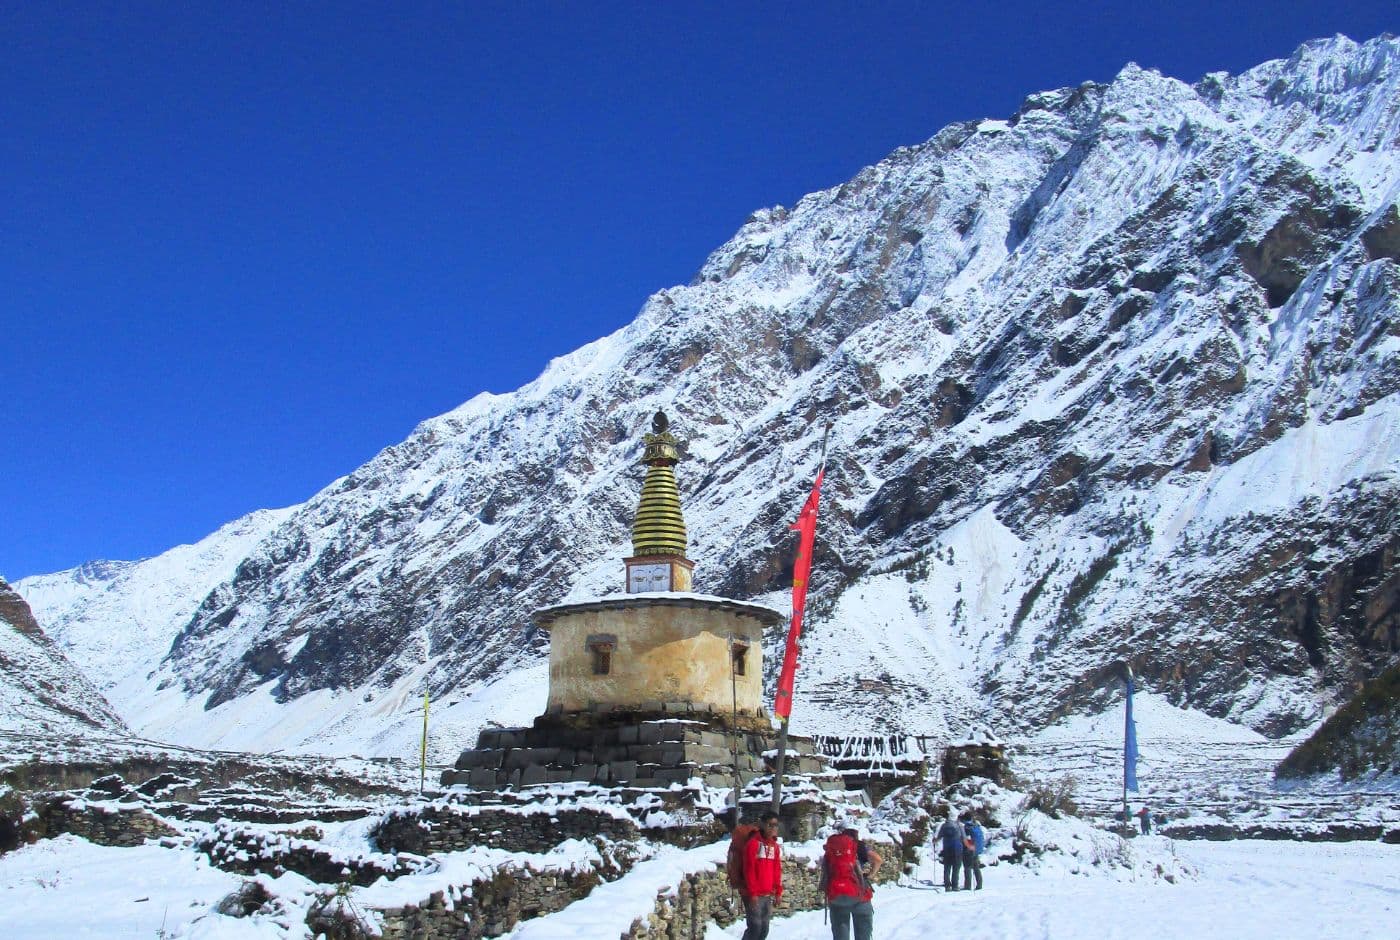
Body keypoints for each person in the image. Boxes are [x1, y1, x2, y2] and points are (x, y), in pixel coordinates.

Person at [821, 814, 882, 940]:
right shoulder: (860, 845)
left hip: (837, 897)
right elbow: (878, 860)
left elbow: (825, 869)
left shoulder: (832, 846)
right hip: (861, 896)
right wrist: (870, 875)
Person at [742, 811, 783, 940]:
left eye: (776, 825)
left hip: (767, 893)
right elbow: (749, 870)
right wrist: (753, 893)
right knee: (755, 928)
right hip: (753, 894)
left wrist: (778, 891)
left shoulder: (774, 846)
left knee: (764, 929)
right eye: (770, 825)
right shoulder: (753, 844)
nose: (773, 828)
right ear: (763, 825)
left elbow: (776, 870)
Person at [936, 811, 965, 891]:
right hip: (957, 849)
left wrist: (935, 841)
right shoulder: (959, 826)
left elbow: (939, 837)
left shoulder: (944, 826)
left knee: (947, 867)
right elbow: (964, 838)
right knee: (956, 868)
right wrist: (971, 847)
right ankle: (955, 885)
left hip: (947, 848)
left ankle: (947, 885)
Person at [961, 814, 985, 891]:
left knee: (967, 867)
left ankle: (967, 886)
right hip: (977, 849)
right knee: (976, 867)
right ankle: (979, 884)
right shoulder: (976, 826)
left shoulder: (967, 827)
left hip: (969, 850)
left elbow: (966, 839)